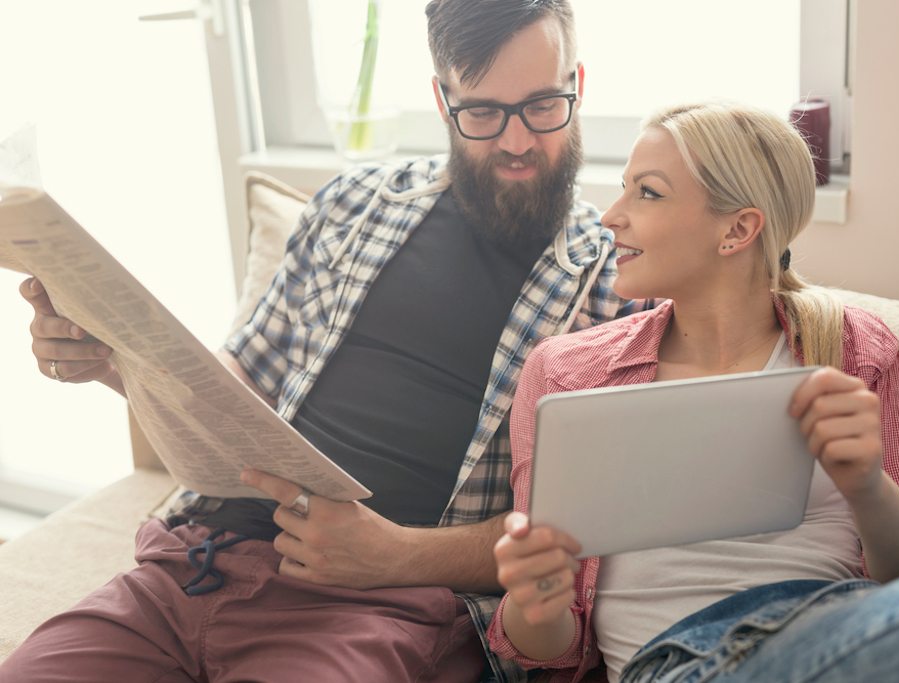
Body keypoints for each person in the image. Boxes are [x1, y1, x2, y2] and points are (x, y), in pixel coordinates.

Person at [1, 2, 653, 682]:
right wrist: (115, 364)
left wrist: (396, 554)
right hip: (191, 564)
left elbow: (577, 531)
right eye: (483, 113)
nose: (517, 141)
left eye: (543, 106)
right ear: (441, 100)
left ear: (578, 85)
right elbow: (235, 391)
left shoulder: (619, 284)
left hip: (373, 608)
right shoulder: (351, 207)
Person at [487, 101, 899, 683]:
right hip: (684, 664)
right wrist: (532, 597)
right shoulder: (568, 373)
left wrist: (867, 486)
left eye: (648, 193)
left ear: (738, 230)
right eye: (624, 189)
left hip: (844, 633)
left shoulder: (851, 349)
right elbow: (549, 648)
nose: (612, 215)